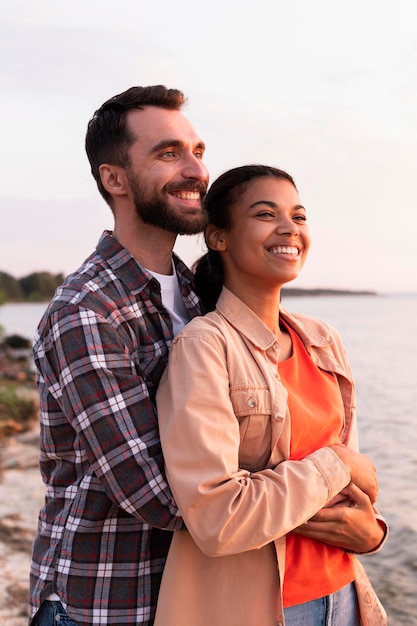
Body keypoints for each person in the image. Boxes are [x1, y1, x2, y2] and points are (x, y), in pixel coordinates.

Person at [154, 164, 388, 626]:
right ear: (218, 237)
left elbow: (361, 487)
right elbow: (217, 519)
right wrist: (335, 465)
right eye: (266, 214)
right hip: (266, 606)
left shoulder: (323, 340)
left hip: (345, 595)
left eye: (299, 217)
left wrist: (371, 533)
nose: (289, 229)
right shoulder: (205, 345)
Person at [29, 85, 209, 626]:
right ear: (114, 179)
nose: (195, 170)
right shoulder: (87, 311)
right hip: (101, 603)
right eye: (168, 153)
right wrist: (313, 497)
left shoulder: (201, 294)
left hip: (184, 597)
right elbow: (153, 491)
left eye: (198, 152)